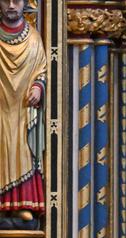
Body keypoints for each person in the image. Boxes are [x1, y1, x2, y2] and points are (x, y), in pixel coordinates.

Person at [0, 0, 45, 222]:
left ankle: (22, 204)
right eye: (5, 0)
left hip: (22, 110)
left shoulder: (34, 39)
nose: (11, 5)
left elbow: (42, 70)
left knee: (23, 151)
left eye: (16, 0)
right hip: (1, 107)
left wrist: (38, 87)